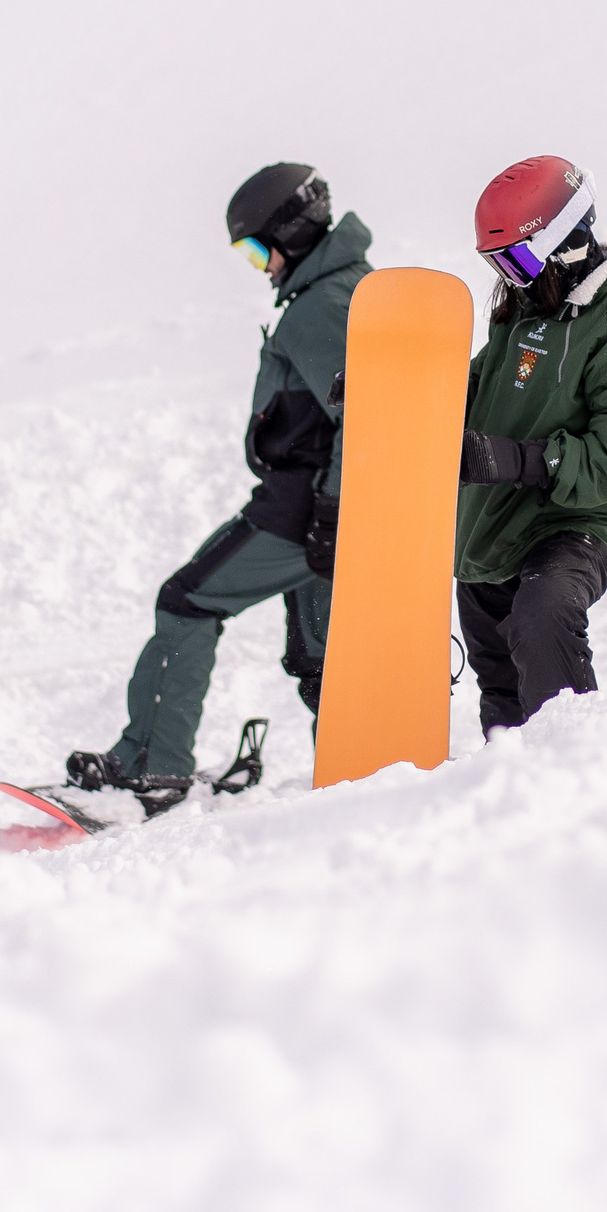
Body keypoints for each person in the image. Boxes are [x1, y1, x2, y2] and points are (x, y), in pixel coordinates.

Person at [70, 163, 371, 796]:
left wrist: (332, 511)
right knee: (324, 657)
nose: (261, 266)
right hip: (325, 503)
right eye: (247, 255)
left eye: (260, 249)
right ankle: (356, 771)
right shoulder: (342, 290)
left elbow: (368, 415)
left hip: (305, 505)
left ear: (294, 231)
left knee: (187, 601)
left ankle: (154, 763)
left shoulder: (322, 306)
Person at [456, 157, 607, 731]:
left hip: (573, 527)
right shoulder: (525, 311)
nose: (511, 276)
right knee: (502, 692)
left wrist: (516, 459)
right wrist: (391, 388)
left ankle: (579, 762)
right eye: (498, 262)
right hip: (492, 529)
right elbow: (474, 390)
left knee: (542, 614)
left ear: (567, 243)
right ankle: (513, 791)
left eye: (519, 258)